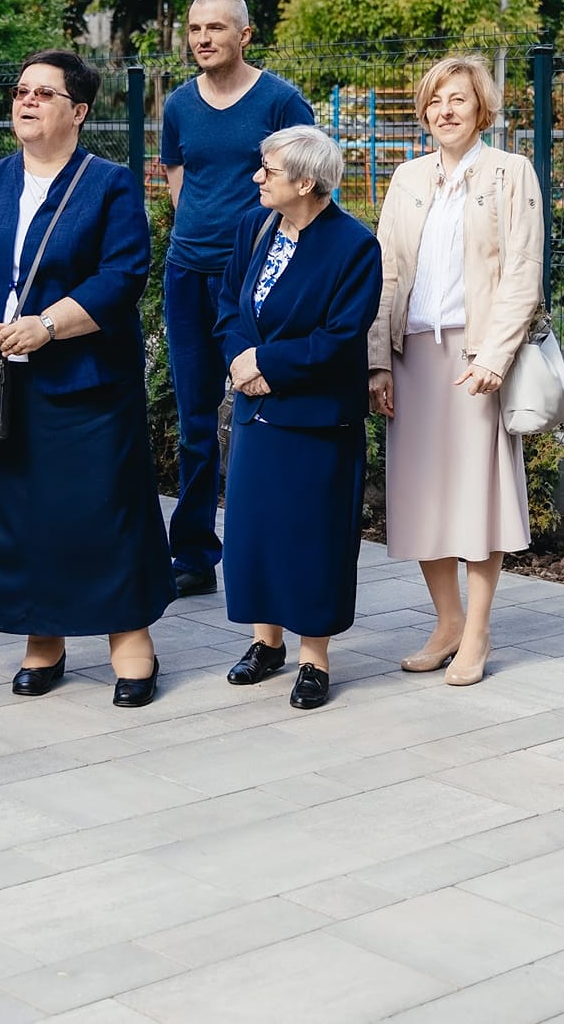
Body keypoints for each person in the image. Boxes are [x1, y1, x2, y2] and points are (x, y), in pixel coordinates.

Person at [0, 51, 172, 706]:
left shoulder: (109, 184)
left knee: (102, 513)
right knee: (20, 514)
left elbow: (122, 276)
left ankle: (129, 639)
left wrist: (49, 326)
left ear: (79, 111)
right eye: (20, 91)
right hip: (1, 385)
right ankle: (43, 637)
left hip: (86, 386)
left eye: (44, 93)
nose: (26, 101)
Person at [367, 56, 545, 687]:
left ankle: (477, 631)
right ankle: (445, 622)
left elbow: (524, 271)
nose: (445, 111)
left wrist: (496, 355)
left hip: (475, 358)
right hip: (413, 355)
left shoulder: (509, 172)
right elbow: (385, 273)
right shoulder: (409, 177)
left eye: (459, 100)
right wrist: (377, 361)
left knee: (477, 495)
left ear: (481, 110)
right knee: (423, 498)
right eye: (436, 100)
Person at [216, 125, 382, 710]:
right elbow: (228, 303)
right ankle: (267, 643)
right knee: (255, 532)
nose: (257, 177)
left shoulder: (354, 246)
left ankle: (315, 658)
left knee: (314, 538)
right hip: (257, 410)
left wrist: (266, 363)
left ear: (307, 182)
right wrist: (241, 359)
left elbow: (339, 338)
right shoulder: (253, 226)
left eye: (269, 170)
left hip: (315, 419)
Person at [157, 0, 315, 597]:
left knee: (265, 409)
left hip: (257, 276)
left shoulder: (280, 101)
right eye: (195, 28)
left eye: (216, 28)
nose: (202, 38)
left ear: (244, 35)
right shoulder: (177, 105)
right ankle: (194, 556)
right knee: (195, 418)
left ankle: (272, 546)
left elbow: (305, 180)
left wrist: (259, 252)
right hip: (188, 274)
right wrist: (199, 236)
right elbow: (178, 177)